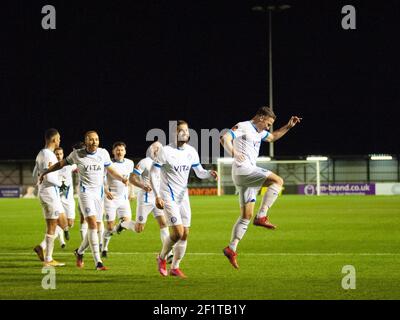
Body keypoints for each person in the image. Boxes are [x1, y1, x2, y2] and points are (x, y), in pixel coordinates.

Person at [220, 106, 302, 269]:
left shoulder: (259, 132)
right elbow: (225, 137)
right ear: (261, 117)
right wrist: (234, 152)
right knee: (277, 181)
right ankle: (262, 216)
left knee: (246, 215)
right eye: (268, 123)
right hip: (244, 170)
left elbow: (272, 138)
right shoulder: (244, 126)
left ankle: (231, 248)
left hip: (246, 176)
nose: (268, 127)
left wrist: (288, 126)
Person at [39, 131, 129, 270]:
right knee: (92, 225)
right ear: (86, 141)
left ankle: (79, 252)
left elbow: (110, 169)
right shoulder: (77, 154)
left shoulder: (103, 153)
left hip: (98, 194)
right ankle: (98, 262)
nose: (94, 142)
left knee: (97, 227)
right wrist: (46, 172)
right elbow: (61, 164)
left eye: (97, 139)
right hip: (85, 193)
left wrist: (122, 178)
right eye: (91, 140)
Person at [151, 120, 218, 278]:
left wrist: (209, 173)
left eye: (187, 130)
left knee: (185, 233)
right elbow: (154, 173)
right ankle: (161, 258)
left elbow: (199, 171)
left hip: (183, 197)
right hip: (168, 196)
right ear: (174, 133)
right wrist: (157, 195)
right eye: (181, 130)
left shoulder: (191, 151)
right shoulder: (165, 151)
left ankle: (175, 267)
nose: (185, 133)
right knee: (178, 232)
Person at [117, 142, 172, 260]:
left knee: (163, 224)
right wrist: (142, 186)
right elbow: (132, 178)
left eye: (160, 148)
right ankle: (122, 224)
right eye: (155, 148)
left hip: (158, 198)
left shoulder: (163, 163)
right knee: (139, 229)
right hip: (145, 199)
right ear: (151, 150)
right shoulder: (145, 162)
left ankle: (169, 253)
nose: (158, 149)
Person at [32, 128, 66, 267]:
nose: (59, 141)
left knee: (64, 223)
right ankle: (48, 259)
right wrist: (61, 183)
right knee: (52, 225)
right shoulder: (48, 155)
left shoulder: (41, 153)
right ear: (54, 139)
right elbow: (48, 176)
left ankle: (42, 247)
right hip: (49, 194)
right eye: (59, 138)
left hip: (50, 193)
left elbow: (36, 173)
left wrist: (39, 180)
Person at [101, 142, 137, 258]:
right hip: (111, 198)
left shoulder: (129, 163)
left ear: (125, 152)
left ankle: (119, 227)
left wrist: (132, 192)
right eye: (117, 150)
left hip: (124, 199)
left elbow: (130, 179)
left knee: (126, 222)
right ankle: (104, 247)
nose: (119, 152)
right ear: (113, 151)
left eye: (122, 150)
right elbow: (101, 180)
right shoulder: (108, 164)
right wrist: (106, 191)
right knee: (110, 227)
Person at [54, 147, 78, 246]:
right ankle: (62, 240)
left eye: (60, 153)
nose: (58, 155)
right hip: (56, 199)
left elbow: (79, 165)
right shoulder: (52, 166)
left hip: (68, 199)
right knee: (58, 220)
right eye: (56, 154)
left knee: (70, 223)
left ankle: (66, 229)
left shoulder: (70, 165)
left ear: (63, 154)